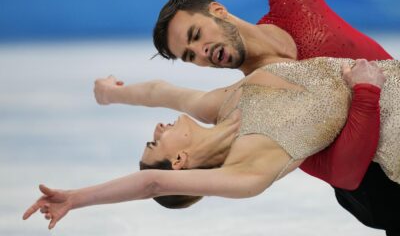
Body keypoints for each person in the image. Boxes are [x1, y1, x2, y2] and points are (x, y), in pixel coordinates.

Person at [97, 0, 398, 233]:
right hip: (380, 192)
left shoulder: (295, 7)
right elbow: (344, 175)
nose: (201, 53)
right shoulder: (253, 106)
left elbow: (159, 91)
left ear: (218, 10)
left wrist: (111, 92)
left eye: (196, 35)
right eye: (190, 56)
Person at [23, 57, 399, 233]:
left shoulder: (220, 104)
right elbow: (152, 184)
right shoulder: (246, 171)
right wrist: (75, 198)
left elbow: (159, 91)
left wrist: (109, 94)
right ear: (181, 160)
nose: (157, 127)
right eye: (156, 142)